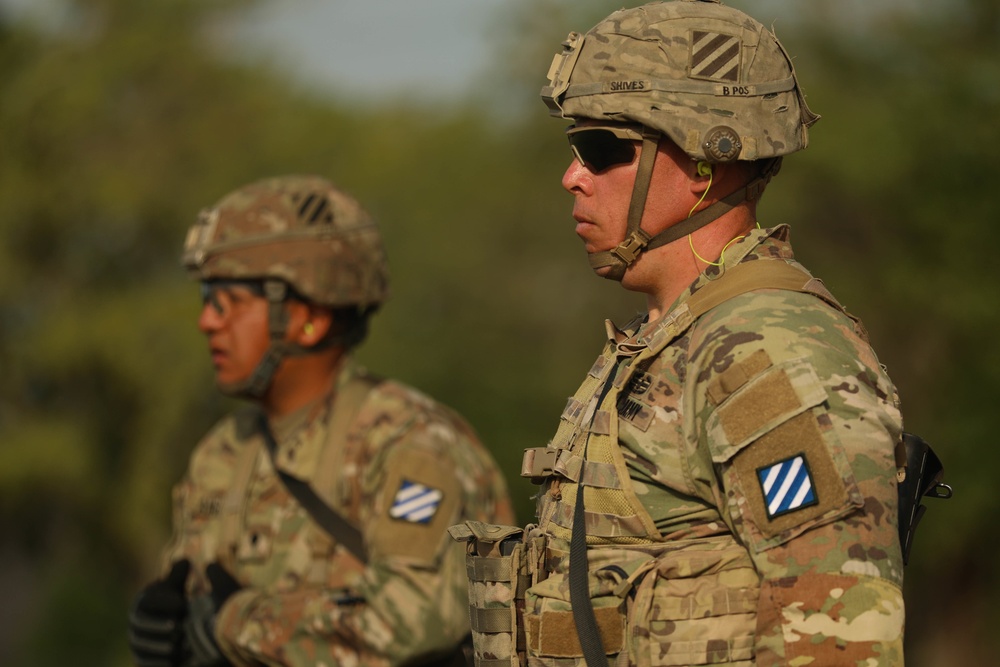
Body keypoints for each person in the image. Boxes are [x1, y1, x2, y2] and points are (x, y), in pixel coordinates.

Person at [452, 1, 905, 665]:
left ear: (703, 165)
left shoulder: (766, 348)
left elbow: (842, 633)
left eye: (602, 149)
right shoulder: (671, 337)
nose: (572, 176)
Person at [127, 175, 515, 667]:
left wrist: (235, 625)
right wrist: (166, 628)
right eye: (207, 296)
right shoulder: (223, 451)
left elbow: (416, 619)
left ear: (310, 318)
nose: (208, 320)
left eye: (229, 300)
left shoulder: (410, 442)